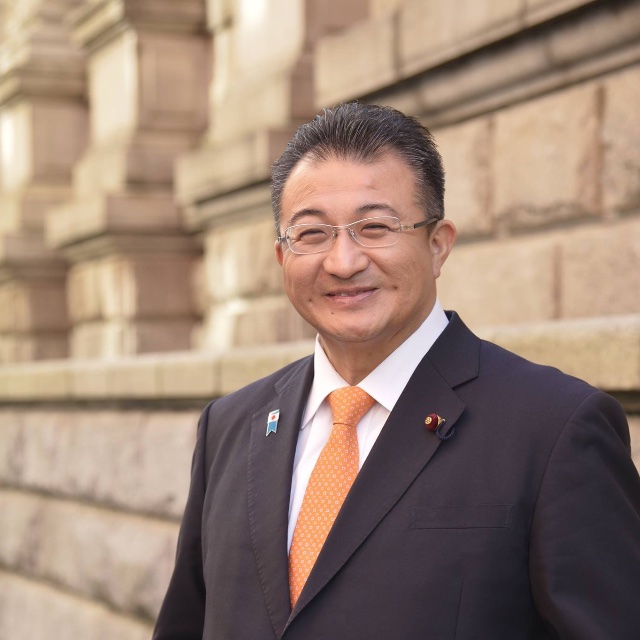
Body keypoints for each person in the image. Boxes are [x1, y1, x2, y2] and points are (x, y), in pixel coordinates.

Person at [152, 103, 640, 640]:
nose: (343, 262)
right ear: (282, 257)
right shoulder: (230, 426)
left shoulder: (553, 428)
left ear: (438, 245)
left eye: (375, 227)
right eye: (312, 234)